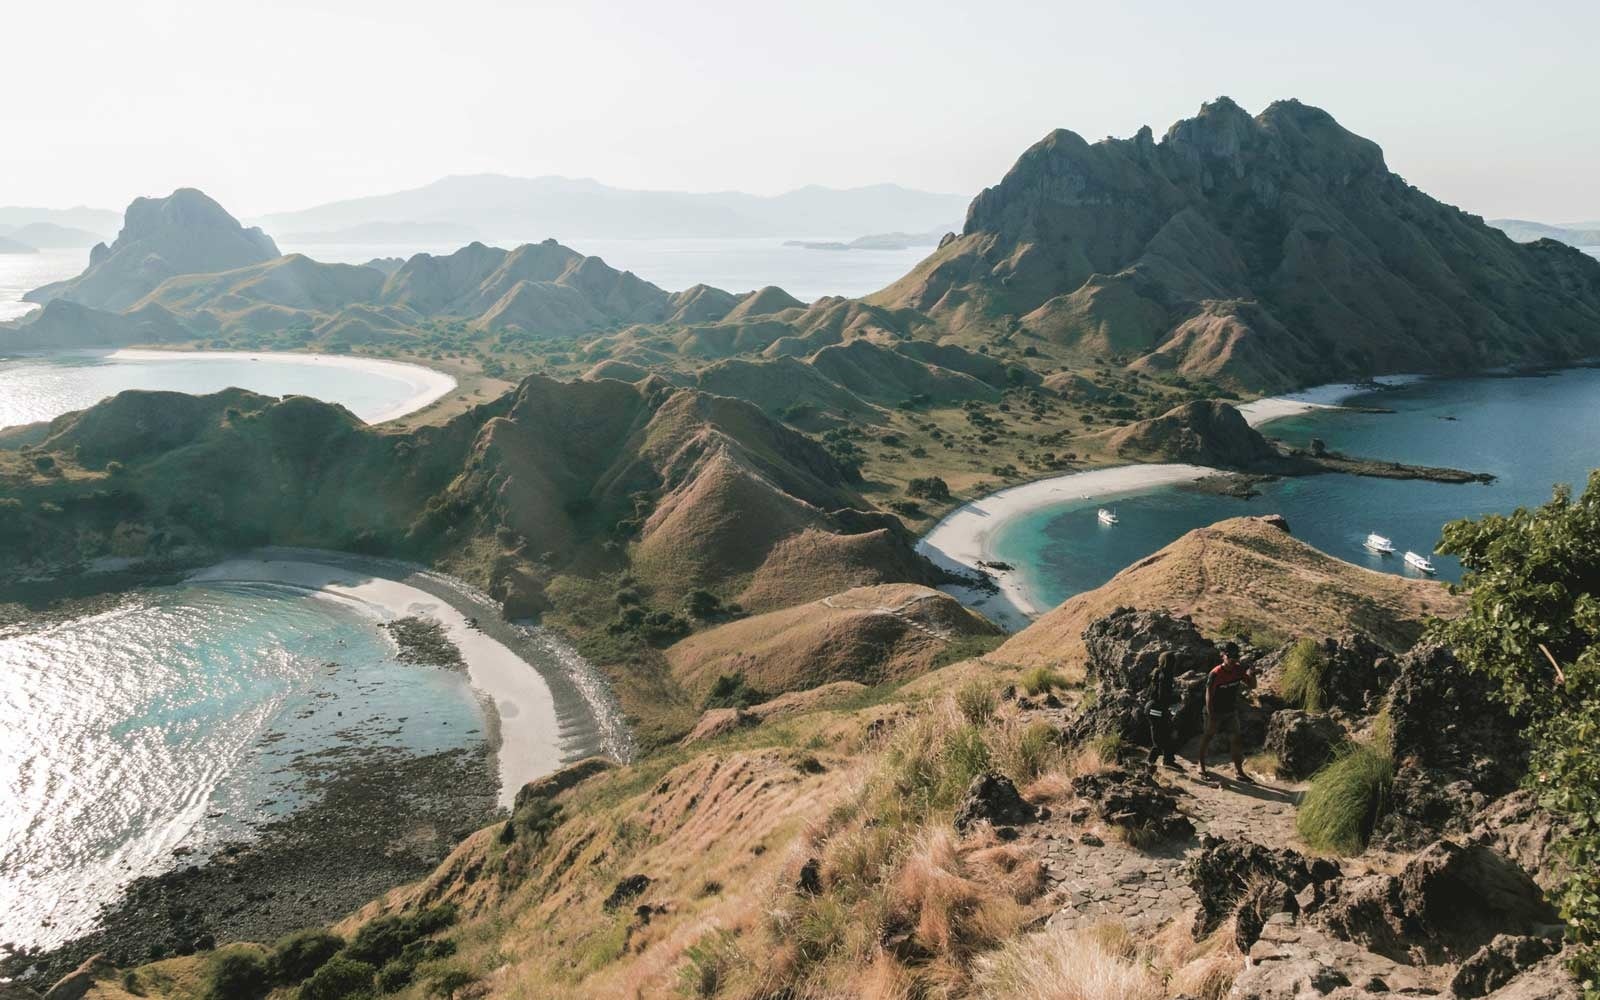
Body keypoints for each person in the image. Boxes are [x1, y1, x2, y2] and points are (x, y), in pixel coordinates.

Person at [1198, 641, 1255, 782]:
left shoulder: (1238, 670)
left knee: (1236, 739)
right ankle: (1201, 767)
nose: (1232, 660)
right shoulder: (1216, 673)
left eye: (1235, 657)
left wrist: (1252, 674)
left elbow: (1252, 685)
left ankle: (1239, 772)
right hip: (1214, 711)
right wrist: (1211, 715)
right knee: (1208, 737)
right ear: (1223, 655)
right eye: (1229, 656)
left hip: (1230, 711)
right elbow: (1208, 695)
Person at [1144, 651, 1180, 768]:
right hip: (1156, 710)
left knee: (1167, 732)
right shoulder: (1165, 676)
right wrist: (1177, 697)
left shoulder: (1158, 673)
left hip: (1153, 708)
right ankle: (1149, 763)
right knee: (1160, 737)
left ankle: (1167, 760)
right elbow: (1163, 697)